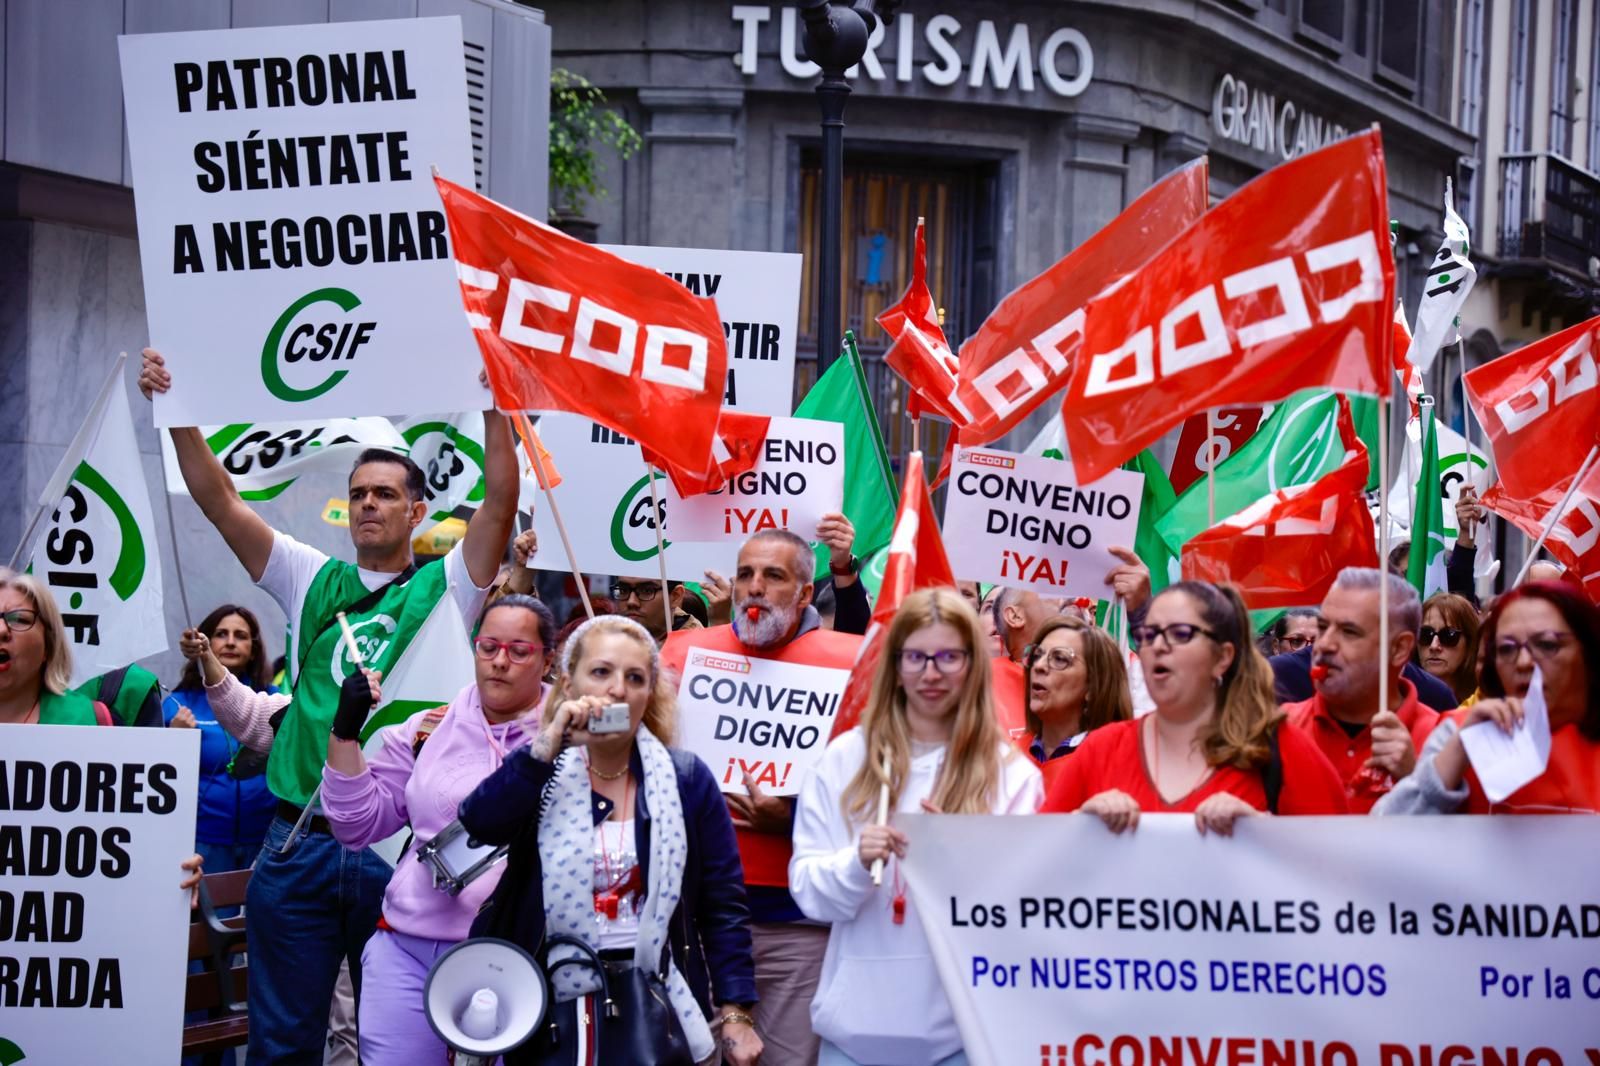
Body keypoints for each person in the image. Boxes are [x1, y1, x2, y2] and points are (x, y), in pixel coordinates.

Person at [140, 348, 518, 1063]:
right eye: (360, 493)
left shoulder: (451, 586)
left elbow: (499, 502)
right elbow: (221, 501)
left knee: (396, 1043)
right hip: (297, 842)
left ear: (419, 509)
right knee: (282, 1044)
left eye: (385, 493)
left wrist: (498, 405)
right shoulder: (310, 576)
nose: (369, 504)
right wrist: (177, 412)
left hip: (403, 850)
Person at [458, 615, 761, 1065]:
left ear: (649, 693)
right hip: (549, 1007)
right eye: (601, 672)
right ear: (569, 681)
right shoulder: (539, 769)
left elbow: (723, 904)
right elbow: (480, 823)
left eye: (634, 677)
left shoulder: (686, 779)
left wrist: (737, 1012)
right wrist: (545, 750)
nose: (617, 689)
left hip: (657, 1001)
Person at [791, 588, 1041, 1066]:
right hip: (853, 1039)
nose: (931, 673)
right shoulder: (845, 760)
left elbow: (1019, 914)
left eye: (948, 656)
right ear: (895, 667)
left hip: (960, 1039)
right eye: (916, 657)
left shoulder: (1011, 775)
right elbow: (809, 895)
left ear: (972, 664)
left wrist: (960, 857)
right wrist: (857, 862)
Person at [316, 595, 555, 1065]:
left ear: (547, 658)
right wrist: (344, 733)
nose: (500, 662)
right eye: (488, 647)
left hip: (518, 959)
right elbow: (356, 826)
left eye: (519, 650)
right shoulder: (427, 728)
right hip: (405, 952)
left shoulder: (574, 738)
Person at [660, 528, 862, 1065]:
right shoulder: (683, 653)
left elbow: (875, 791)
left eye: (773, 576)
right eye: (746, 573)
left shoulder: (852, 664)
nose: (754, 587)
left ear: (803, 591)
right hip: (693, 916)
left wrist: (791, 821)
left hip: (797, 924)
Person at [1044, 581, 1348, 830]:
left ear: (1223, 657)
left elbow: (1340, 872)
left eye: (1179, 634)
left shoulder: (1279, 747)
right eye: (1149, 635)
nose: (1158, 646)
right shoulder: (1102, 748)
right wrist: (1077, 829)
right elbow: (1030, 870)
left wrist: (1263, 835)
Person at [0, 568, 205, 883]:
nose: (2, 630)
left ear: (48, 643)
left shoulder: (92, 723)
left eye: (19, 619)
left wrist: (168, 872)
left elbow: (137, 842)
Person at [1376, 582, 1600, 815]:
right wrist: (1455, 755)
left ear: (1588, 651)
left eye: (1547, 644)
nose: (1524, 662)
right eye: (1506, 649)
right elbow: (1386, 834)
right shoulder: (1458, 731)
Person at [1280, 570, 1440, 813]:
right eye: (1323, 627)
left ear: (1399, 648)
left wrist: (1417, 778)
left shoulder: (1440, 741)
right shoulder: (1277, 731)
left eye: (1349, 632)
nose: (1324, 644)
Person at [164, 605, 280, 874]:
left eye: (240, 635)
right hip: (202, 841)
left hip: (266, 839)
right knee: (209, 916)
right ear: (206, 643)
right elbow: (158, 777)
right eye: (221, 634)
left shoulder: (274, 701)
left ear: (254, 648)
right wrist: (173, 740)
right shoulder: (177, 704)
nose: (230, 642)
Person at [1023, 615, 1132, 791]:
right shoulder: (1004, 758)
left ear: (1093, 686)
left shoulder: (1116, 767)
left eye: (1059, 658)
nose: (1038, 666)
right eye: (1037, 655)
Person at [1417, 592, 1481, 705]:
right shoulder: (1398, 699)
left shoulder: (1482, 702)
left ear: (1470, 643)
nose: (1434, 646)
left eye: (1448, 636)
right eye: (1425, 634)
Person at [611, 576, 704, 642]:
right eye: (623, 590)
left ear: (676, 596)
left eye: (647, 591)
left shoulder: (697, 654)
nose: (631, 601)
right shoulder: (602, 643)